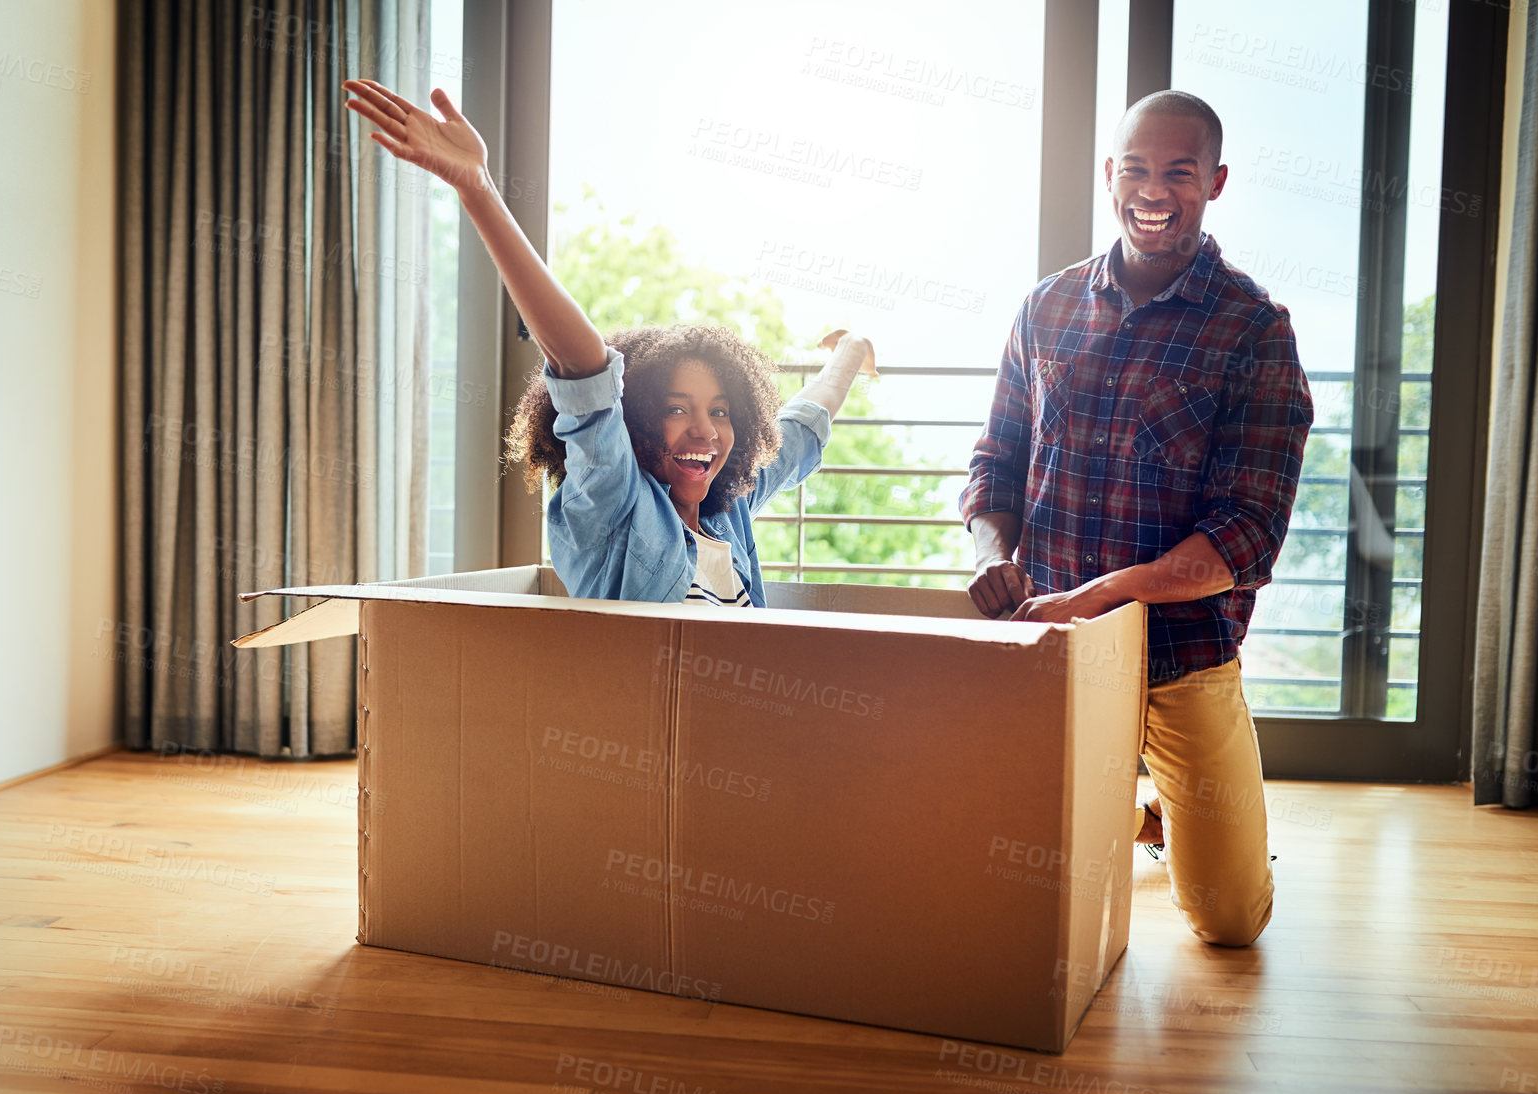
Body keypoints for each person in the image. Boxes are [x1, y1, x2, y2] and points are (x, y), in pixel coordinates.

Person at [960, 90, 1314, 947]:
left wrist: (1093, 596)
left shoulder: (1254, 330)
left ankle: (1171, 812)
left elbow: (1245, 535)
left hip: (1180, 656)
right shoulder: (1043, 308)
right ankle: (1138, 811)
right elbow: (994, 465)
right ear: (1110, 176)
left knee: (1229, 921)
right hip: (1054, 649)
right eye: (1136, 169)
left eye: (1178, 172)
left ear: (1215, 182)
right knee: (997, 857)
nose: (1153, 191)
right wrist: (988, 550)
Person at [343, 80, 875, 607]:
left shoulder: (727, 508)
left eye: (720, 410)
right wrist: (477, 186)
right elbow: (584, 369)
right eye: (675, 408)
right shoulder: (611, 504)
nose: (705, 430)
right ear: (633, 422)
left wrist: (852, 346)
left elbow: (802, 428)